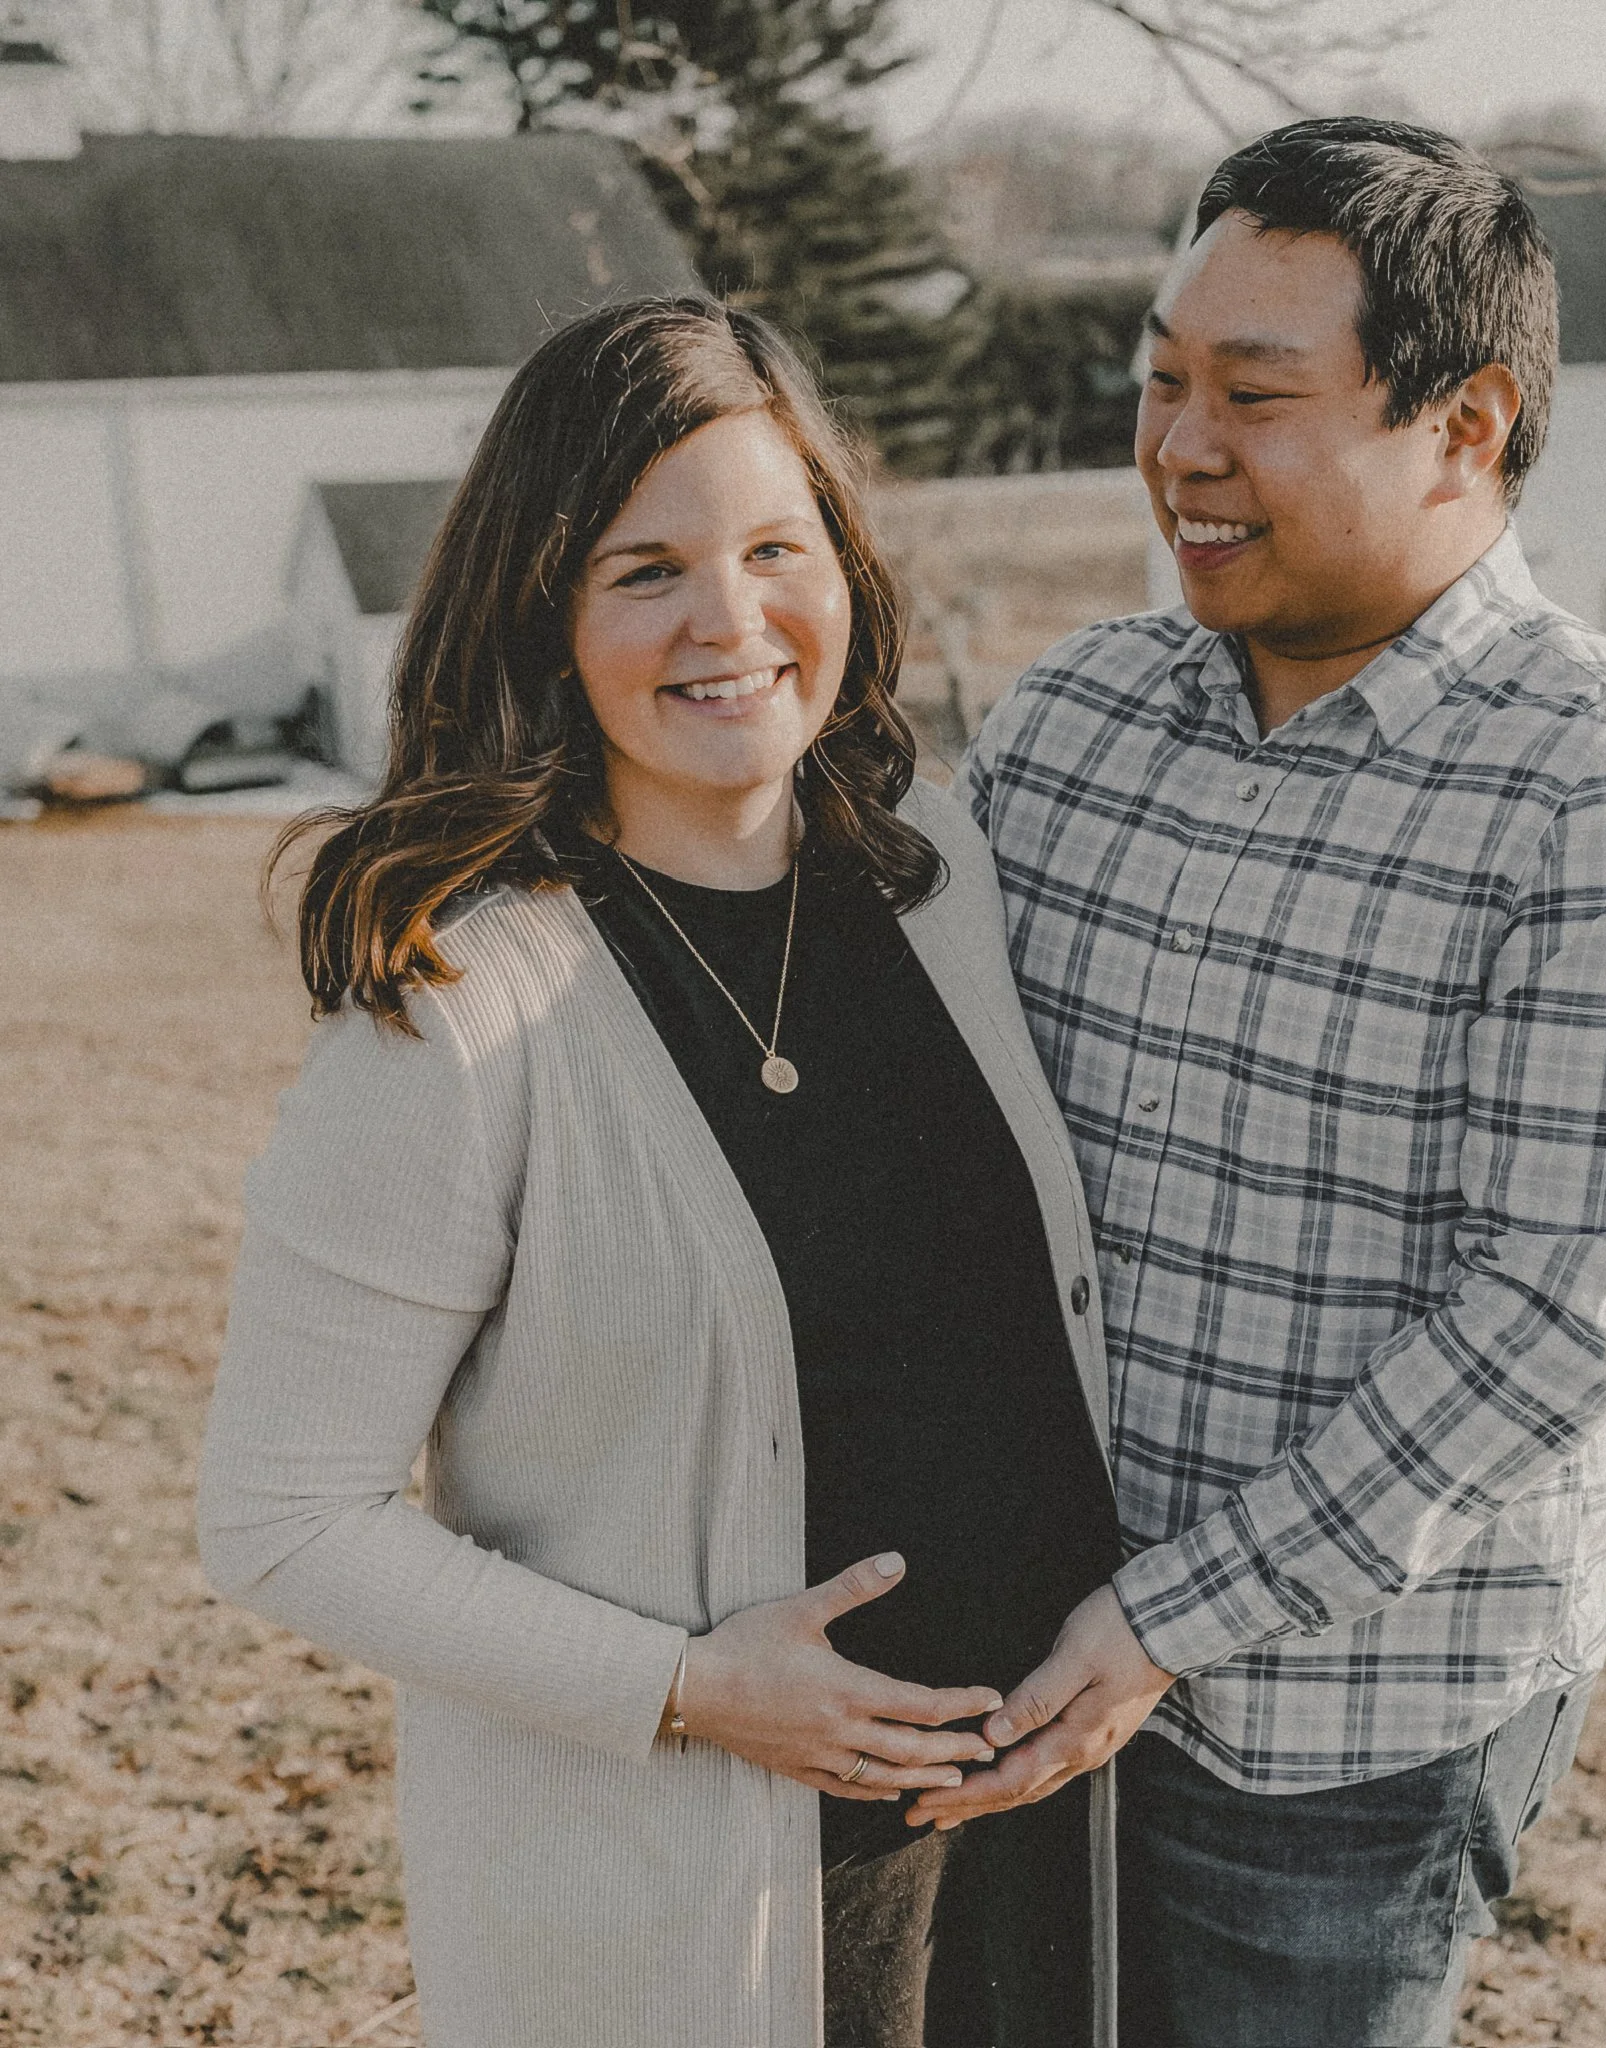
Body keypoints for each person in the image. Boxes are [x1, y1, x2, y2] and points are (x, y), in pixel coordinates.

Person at [915, 118, 1606, 2046]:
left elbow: (1557, 1320)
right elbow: (918, 1111)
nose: (1179, 448)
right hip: (1016, 1664)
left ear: (1466, 425)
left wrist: (1165, 1619)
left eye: (1255, 394)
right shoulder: (1072, 723)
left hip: (1337, 1743)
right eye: (1160, 381)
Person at [195, 295, 1125, 2048]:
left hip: (1030, 1848)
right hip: (701, 1897)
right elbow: (276, 1519)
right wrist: (690, 1692)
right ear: (541, 608)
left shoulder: (945, 893)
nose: (732, 620)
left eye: (780, 547)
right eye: (645, 571)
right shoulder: (456, 1012)